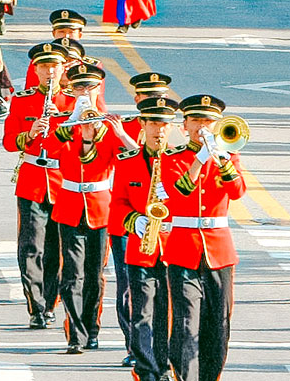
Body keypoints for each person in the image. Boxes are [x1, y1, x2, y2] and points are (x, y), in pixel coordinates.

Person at [160, 95, 247, 381]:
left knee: (218, 326)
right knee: (185, 324)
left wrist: (221, 160)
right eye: (196, 120)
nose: (202, 127)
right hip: (183, 248)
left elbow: (237, 192)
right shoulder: (172, 158)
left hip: (219, 250)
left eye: (208, 121)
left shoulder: (228, 157)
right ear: (184, 126)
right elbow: (178, 193)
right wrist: (199, 160)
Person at [3, 42, 72, 329]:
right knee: (30, 246)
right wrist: (29, 133)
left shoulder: (71, 102)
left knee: (56, 248)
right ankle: (36, 306)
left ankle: (51, 300)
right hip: (32, 180)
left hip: (62, 181)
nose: (49, 71)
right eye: (44, 67)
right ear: (35, 70)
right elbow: (9, 141)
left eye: (54, 66)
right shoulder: (22, 101)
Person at [52, 62, 118, 353]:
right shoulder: (62, 123)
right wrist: (71, 126)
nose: (84, 93)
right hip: (68, 205)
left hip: (100, 207)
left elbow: (121, 159)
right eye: (79, 87)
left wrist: (95, 133)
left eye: (90, 87)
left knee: (94, 275)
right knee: (71, 276)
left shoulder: (110, 125)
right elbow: (48, 152)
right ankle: (75, 335)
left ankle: (92, 328)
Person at [112, 96, 179, 381]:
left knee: (167, 315)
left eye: (164, 124)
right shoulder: (127, 162)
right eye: (153, 123)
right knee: (141, 313)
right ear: (142, 124)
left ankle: (163, 366)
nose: (159, 130)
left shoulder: (180, 161)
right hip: (140, 249)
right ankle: (145, 369)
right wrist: (135, 220)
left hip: (173, 249)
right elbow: (116, 206)